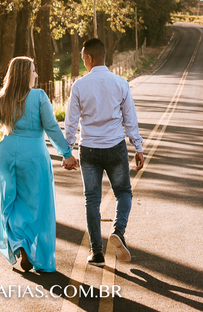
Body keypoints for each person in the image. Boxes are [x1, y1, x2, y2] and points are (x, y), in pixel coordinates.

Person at [0, 55, 77, 273]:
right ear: (25, 74)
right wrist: (66, 153)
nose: (36, 74)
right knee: (38, 202)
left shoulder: (0, 99)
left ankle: (18, 240)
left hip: (6, 152)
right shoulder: (39, 96)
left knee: (10, 201)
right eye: (33, 70)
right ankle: (31, 248)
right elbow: (52, 128)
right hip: (34, 154)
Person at [62, 37, 145, 266]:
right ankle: (118, 230)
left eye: (83, 59)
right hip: (115, 147)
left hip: (89, 148)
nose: (83, 63)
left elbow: (71, 123)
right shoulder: (120, 83)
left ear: (89, 57)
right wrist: (137, 146)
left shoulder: (79, 85)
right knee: (123, 192)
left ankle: (96, 252)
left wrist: (67, 152)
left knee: (92, 200)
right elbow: (130, 119)